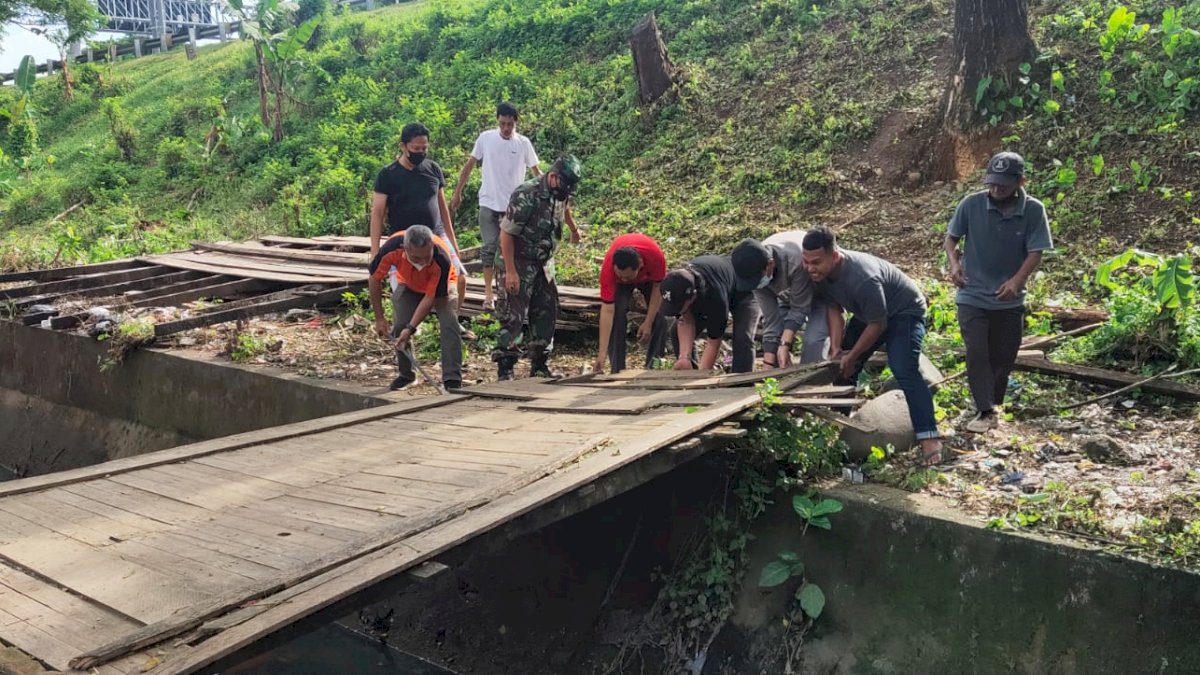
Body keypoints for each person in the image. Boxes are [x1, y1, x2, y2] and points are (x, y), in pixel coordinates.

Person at [800, 226, 944, 465]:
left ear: (835, 255)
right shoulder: (819, 274)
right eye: (806, 262)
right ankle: (838, 423)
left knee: (903, 368)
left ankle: (929, 436)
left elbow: (878, 324)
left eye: (815, 262)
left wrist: (853, 355)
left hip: (904, 312)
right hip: (869, 314)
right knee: (842, 366)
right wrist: (837, 348)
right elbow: (834, 307)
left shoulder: (863, 277)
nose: (809, 268)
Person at [945, 151, 1052, 433]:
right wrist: (955, 264)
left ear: (1020, 181)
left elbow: (1035, 251)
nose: (996, 189)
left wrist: (1016, 281)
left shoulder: (1033, 210)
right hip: (972, 294)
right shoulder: (971, 204)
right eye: (992, 183)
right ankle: (984, 408)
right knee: (977, 350)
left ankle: (992, 401)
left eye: (1003, 184)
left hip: (1008, 298)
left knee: (1004, 354)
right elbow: (951, 238)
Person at [451, 102, 581, 310]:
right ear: (497, 122)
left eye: (509, 124)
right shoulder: (486, 138)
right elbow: (470, 164)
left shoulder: (523, 143)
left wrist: (547, 190)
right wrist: (458, 191)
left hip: (514, 207)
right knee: (489, 248)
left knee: (510, 250)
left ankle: (510, 293)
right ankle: (487, 295)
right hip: (488, 201)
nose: (505, 128)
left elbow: (537, 171)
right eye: (502, 124)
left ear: (516, 123)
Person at [492, 155, 582, 380]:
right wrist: (511, 272)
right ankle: (506, 365)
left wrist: (573, 229)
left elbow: (565, 207)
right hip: (518, 260)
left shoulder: (560, 193)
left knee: (546, 310)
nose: (566, 192)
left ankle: (540, 363)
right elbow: (506, 233)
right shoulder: (527, 193)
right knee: (513, 314)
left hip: (543, 263)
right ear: (553, 176)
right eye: (564, 185)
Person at [369, 122, 468, 315]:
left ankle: (451, 318)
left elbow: (442, 207)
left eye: (424, 148)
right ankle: (407, 325)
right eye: (416, 148)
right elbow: (378, 213)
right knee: (403, 288)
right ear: (403, 146)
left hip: (436, 234)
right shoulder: (388, 175)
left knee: (460, 277)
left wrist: (452, 241)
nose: (420, 152)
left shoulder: (433, 169)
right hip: (403, 239)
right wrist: (375, 249)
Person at [367, 225, 462, 391]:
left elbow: (430, 298)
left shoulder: (441, 259)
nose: (424, 262)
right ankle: (407, 375)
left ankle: (452, 379)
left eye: (427, 256)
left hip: (442, 287)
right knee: (399, 326)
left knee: (449, 323)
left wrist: (411, 328)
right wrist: (380, 318)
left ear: (432, 246)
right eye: (417, 258)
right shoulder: (391, 249)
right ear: (405, 249)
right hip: (408, 282)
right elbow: (374, 279)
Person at [729, 231, 830, 368]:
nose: (756, 286)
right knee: (775, 351)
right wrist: (768, 366)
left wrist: (785, 344)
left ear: (770, 264)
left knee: (813, 346)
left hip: (820, 292)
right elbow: (771, 319)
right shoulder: (754, 273)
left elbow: (799, 308)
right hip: (788, 295)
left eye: (757, 280)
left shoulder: (795, 260)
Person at [658, 255, 760, 373]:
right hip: (716, 285)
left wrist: (703, 377)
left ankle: (741, 382)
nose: (676, 310)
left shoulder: (715, 298)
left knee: (743, 337)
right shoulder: (677, 285)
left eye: (678, 305)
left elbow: (713, 341)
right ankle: (689, 371)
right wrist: (684, 357)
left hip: (744, 292)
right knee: (675, 332)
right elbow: (685, 319)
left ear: (693, 297)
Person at [592, 233, 670, 373]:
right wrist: (601, 354)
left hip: (649, 280)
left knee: (662, 316)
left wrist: (648, 322)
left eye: (627, 277)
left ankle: (653, 367)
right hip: (624, 283)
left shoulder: (655, 257)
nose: (624, 280)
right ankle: (617, 369)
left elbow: (658, 289)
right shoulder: (609, 271)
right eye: (620, 276)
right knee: (617, 315)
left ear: (639, 264)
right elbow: (607, 310)